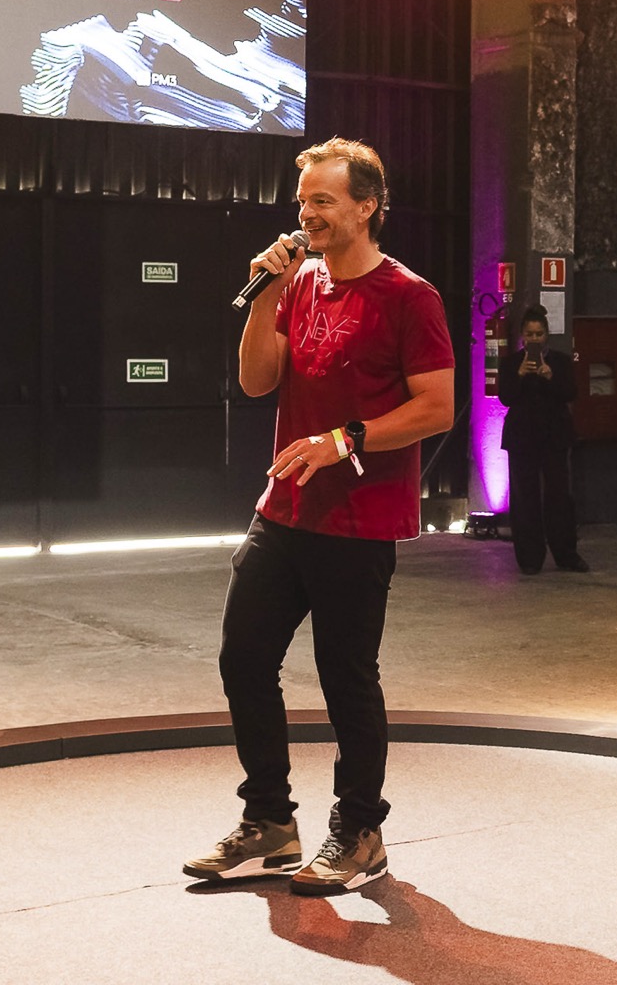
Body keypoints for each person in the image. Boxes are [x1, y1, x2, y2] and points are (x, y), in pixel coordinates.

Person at [184, 138, 455, 897]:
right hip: (285, 511)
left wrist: (345, 440)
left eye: (323, 201)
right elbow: (256, 380)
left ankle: (360, 831)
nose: (307, 214)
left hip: (358, 520)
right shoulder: (298, 280)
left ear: (367, 207)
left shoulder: (410, 296)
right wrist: (266, 293)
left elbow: (437, 408)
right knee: (244, 659)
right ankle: (270, 820)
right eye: (302, 201)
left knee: (346, 678)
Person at [496, 304, 587, 574]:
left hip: (554, 435)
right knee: (524, 496)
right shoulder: (511, 363)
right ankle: (529, 557)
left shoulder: (560, 361)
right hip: (522, 436)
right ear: (522, 336)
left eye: (539, 334)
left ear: (546, 335)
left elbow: (570, 393)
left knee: (559, 494)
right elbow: (505, 398)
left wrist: (550, 377)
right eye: (530, 334)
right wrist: (520, 375)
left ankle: (565, 553)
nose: (534, 338)